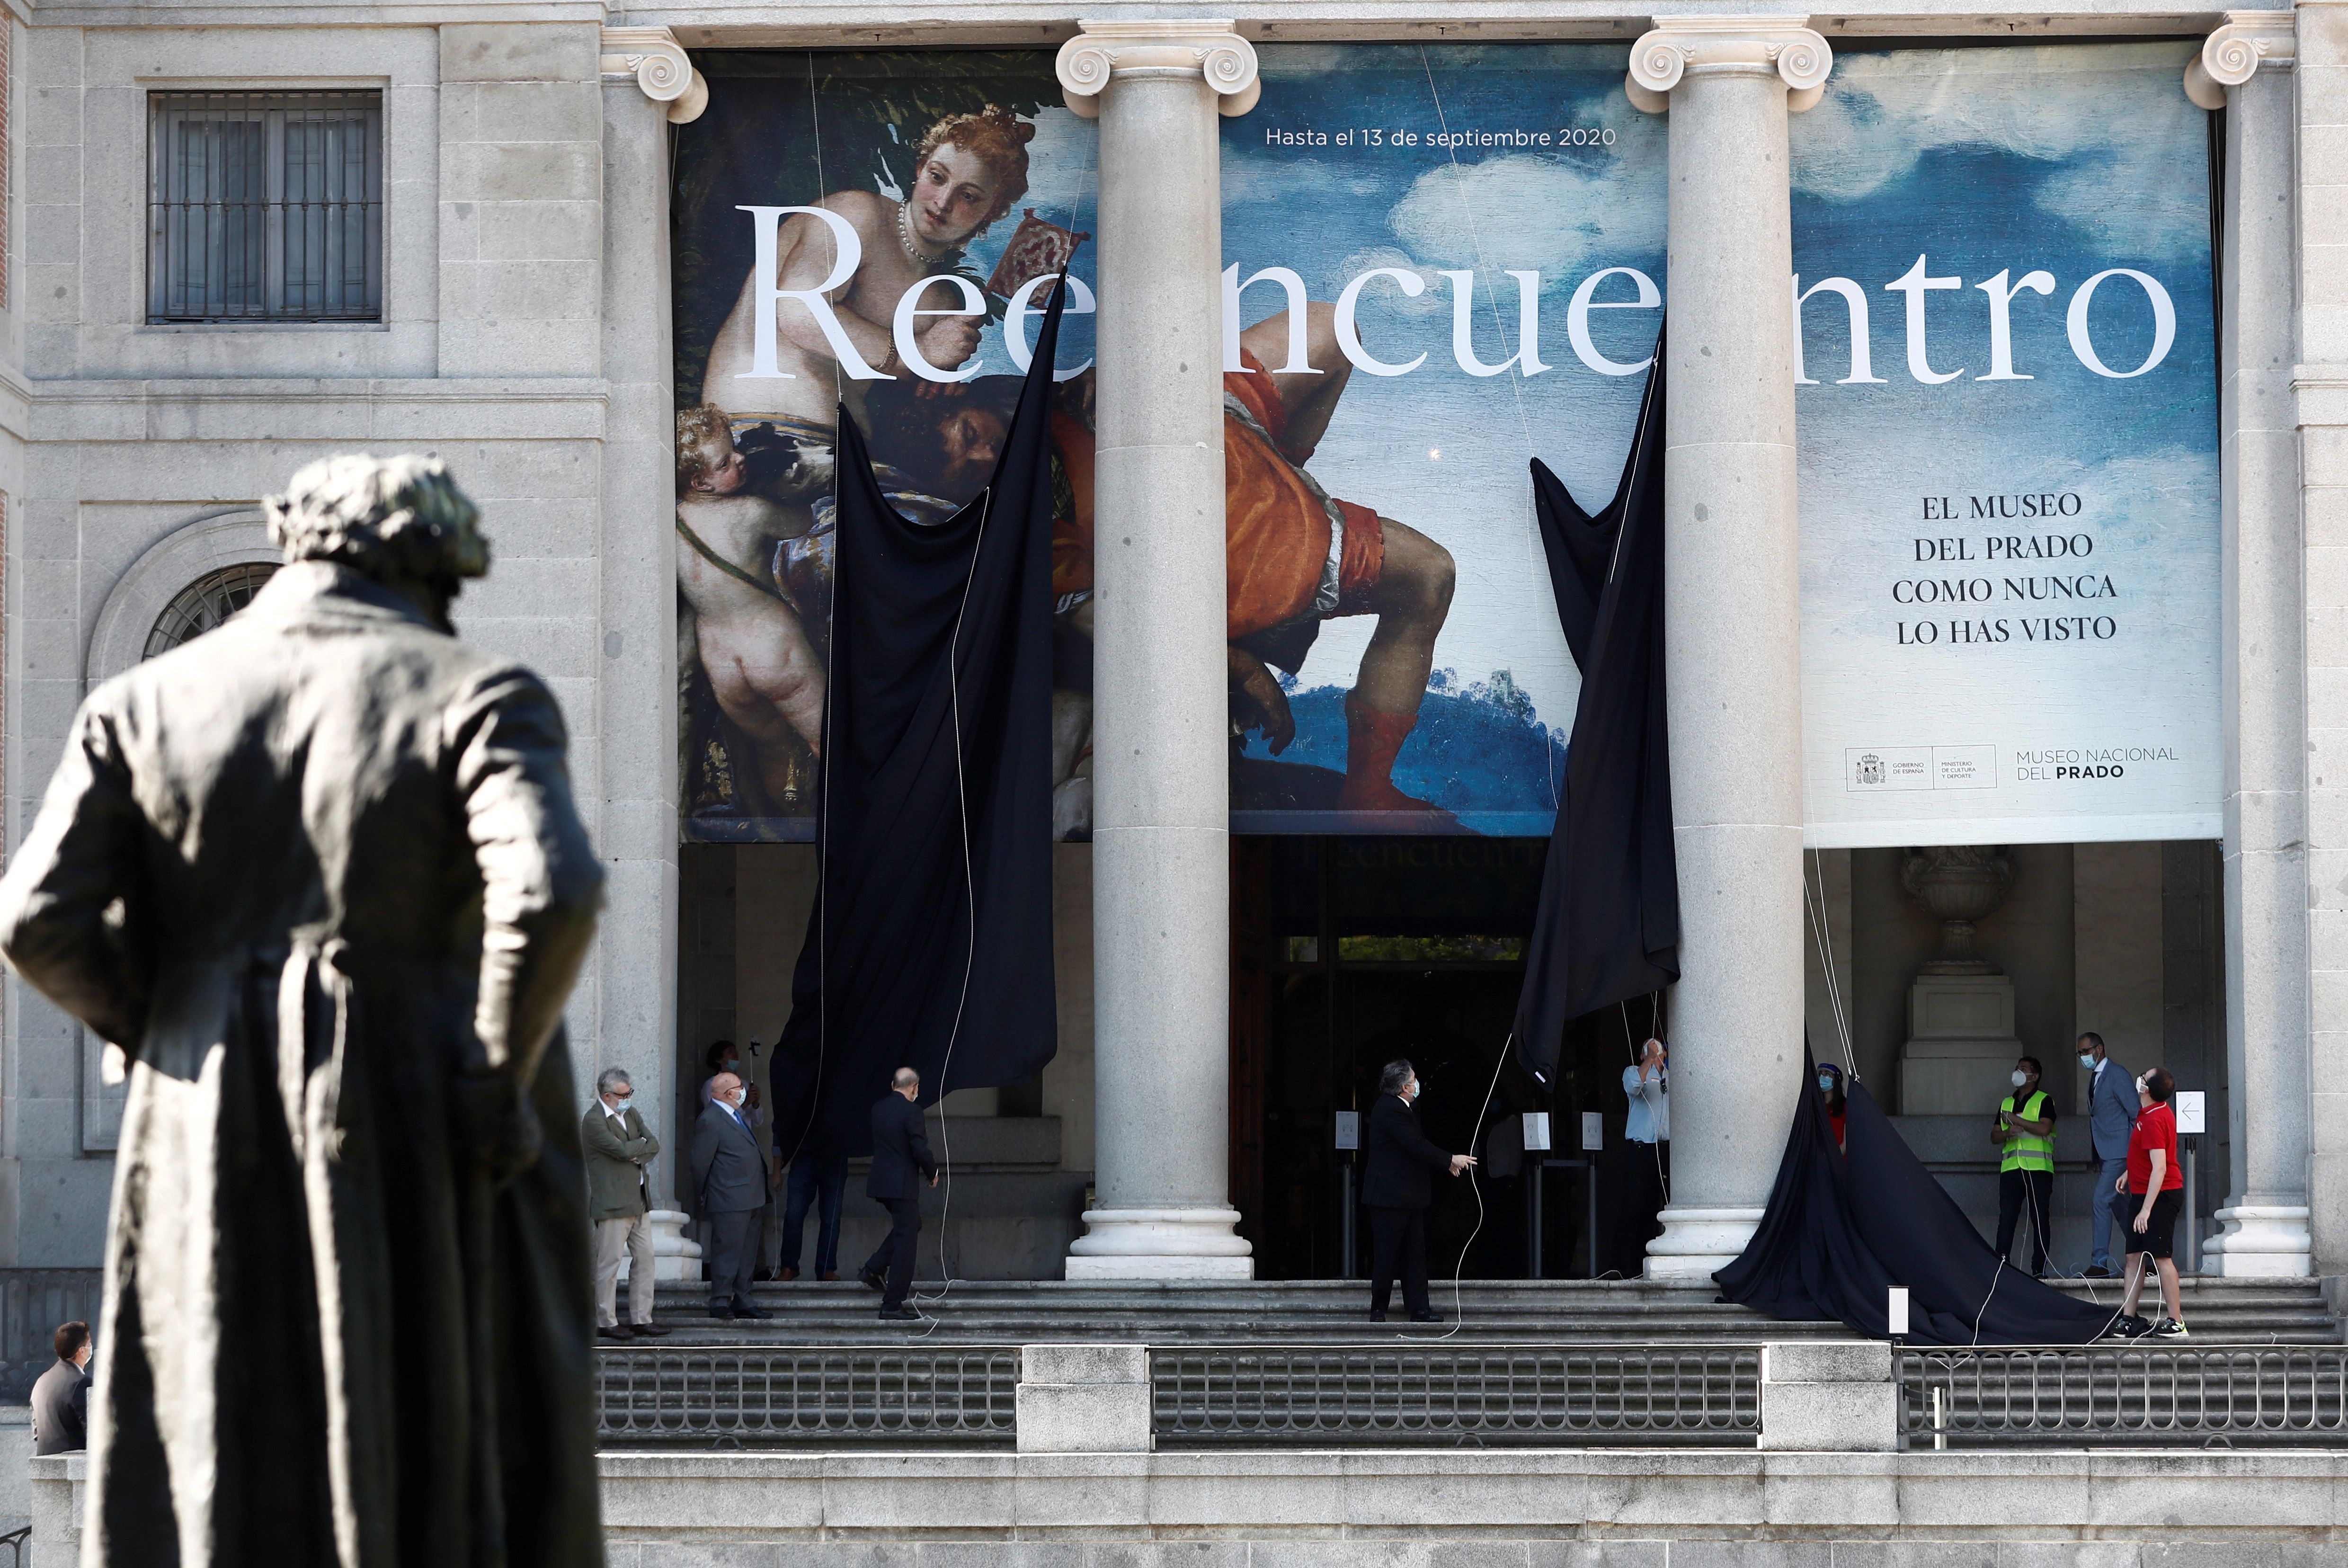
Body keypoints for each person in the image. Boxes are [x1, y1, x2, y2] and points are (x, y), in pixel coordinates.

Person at [0, 454, 608, 1565]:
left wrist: (174, 1033)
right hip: (417, 1091)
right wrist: (492, 1075)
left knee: (215, 1400)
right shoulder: (471, 690)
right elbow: (556, 886)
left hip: (200, 1116)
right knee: (453, 1405)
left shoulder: (139, 702)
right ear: (425, 566)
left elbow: (38, 919)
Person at [676, 407, 827, 807]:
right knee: (824, 741)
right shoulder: (749, 512)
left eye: (735, 450)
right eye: (725, 462)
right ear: (700, 482)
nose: (740, 459)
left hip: (723, 665)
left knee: (775, 752)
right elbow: (800, 522)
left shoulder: (670, 521)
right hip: (771, 650)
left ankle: (794, 826)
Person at [1361, 1058, 1474, 1324]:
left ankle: (1420, 1308)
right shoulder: (1391, 1109)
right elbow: (1416, 1145)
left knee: (1415, 1256)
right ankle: (1379, 1308)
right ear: (1403, 1087)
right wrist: (1450, 1160)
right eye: (1413, 1081)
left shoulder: (1401, 1108)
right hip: (1389, 1197)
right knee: (1387, 1254)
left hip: (1408, 1196)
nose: (1416, 1085)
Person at [582, 1067, 671, 1342]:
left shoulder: (630, 1113)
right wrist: (637, 1147)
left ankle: (641, 1318)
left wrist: (636, 1151)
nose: (629, 1098)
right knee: (609, 1264)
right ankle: (605, 1321)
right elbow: (620, 1151)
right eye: (624, 1094)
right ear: (607, 1096)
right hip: (612, 1204)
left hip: (640, 1201)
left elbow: (654, 1144)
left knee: (645, 1260)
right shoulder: (594, 1121)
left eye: (630, 1092)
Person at [692, 1070, 774, 1321]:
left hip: (752, 1195)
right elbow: (700, 1164)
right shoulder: (711, 1119)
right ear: (729, 1093)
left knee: (748, 1253)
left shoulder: (735, 1115)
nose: (745, 1090)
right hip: (728, 1197)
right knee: (728, 1252)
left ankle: (744, 1299)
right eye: (740, 1087)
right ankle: (720, 1300)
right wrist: (707, 1194)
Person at [860, 1068, 940, 1322]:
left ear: (893, 1084)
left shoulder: (878, 1108)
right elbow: (919, 1148)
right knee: (907, 1240)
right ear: (914, 1087)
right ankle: (892, 1303)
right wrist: (933, 1173)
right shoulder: (912, 1111)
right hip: (902, 1184)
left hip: (882, 1182)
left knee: (909, 1225)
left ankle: (873, 1269)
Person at [2116, 1066, 2189, 1336]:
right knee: (2133, 1257)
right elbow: (2146, 1156)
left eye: (2143, 1078)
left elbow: (2160, 1167)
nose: (2140, 1079)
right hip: (2142, 1192)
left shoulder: (2155, 1118)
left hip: (2160, 1196)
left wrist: (2146, 1210)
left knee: (2161, 1257)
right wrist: (2129, 1173)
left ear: (2145, 1089)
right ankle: (2128, 1317)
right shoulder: (2147, 1114)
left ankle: (2176, 1321)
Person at [2079, 1031, 2139, 1277]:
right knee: (2121, 1208)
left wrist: (2132, 1154)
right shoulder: (2097, 1077)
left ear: (2099, 1049)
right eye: (2080, 1053)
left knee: (2101, 1201)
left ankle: (2100, 1263)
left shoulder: (2116, 1075)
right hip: (2107, 1152)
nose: (2082, 1056)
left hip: (2119, 1153)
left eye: (2085, 1052)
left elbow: (2136, 1114)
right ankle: (2146, 1259)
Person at [1992, 1055, 2057, 1276]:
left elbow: (2044, 1129)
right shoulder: (2006, 1103)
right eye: (2017, 1068)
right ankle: (2002, 1264)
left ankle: (2039, 1268)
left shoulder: (2044, 1100)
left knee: (2039, 1219)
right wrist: (2006, 1133)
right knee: (2007, 1218)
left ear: (2035, 1076)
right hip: (2011, 1170)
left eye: (2024, 1069)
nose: (2018, 1072)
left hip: (2038, 1170)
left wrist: (2016, 1121)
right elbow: (1994, 1136)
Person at [1611, 1037, 1670, 1278]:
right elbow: (1633, 1086)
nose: (1657, 1053)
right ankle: (1622, 1266)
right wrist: (1648, 1060)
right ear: (1642, 1054)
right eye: (1651, 1050)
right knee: (1633, 1208)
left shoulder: (1670, 1076)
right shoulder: (1633, 1071)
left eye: (1659, 1051)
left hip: (1664, 1150)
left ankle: (1646, 1267)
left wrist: (1662, 1061)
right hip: (1641, 1150)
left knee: (1656, 1210)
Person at [781, 1121, 851, 1283]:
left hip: (836, 1154)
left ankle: (827, 1267)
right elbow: (783, 1116)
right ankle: (789, 1266)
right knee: (794, 1214)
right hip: (804, 1152)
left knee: (831, 1217)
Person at [31, 1320, 91, 1455]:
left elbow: (37, 1433)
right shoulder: (81, 1383)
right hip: (74, 1470)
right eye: (89, 1344)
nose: (91, 1348)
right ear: (82, 1350)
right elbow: (96, 1433)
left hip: (43, 1466)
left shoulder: (42, 1381)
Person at [1816, 1061, 1849, 1149]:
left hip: (1839, 1160)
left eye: (1827, 1074)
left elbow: (1846, 1144)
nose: (1822, 1077)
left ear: (1836, 1080)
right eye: (1820, 1074)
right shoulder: (1816, 1107)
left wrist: (1833, 1160)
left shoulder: (1846, 1106)